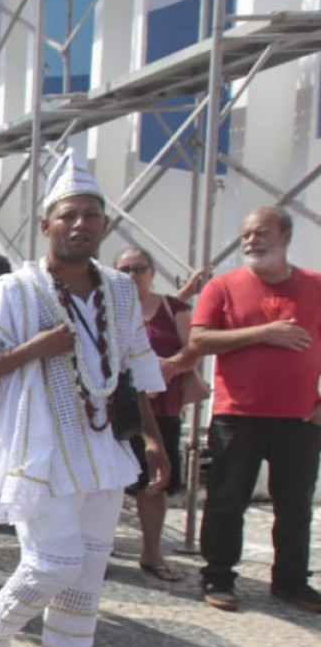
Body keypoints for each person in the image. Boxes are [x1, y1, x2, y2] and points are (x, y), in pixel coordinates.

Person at [0, 151, 169, 647]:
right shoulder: (13, 291)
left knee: (86, 579)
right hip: (40, 446)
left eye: (91, 215)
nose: (80, 225)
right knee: (54, 563)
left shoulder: (119, 290)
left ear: (104, 225)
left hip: (103, 448)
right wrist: (34, 350)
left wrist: (152, 439)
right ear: (46, 224)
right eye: (69, 215)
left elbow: (133, 368)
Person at [190, 204, 321, 613]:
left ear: (286, 236)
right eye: (247, 234)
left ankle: (291, 582)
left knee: (295, 506)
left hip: (301, 418)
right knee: (227, 500)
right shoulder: (222, 287)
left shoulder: (316, 285)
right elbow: (199, 341)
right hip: (237, 415)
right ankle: (218, 576)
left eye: (261, 232)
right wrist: (265, 333)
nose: (251, 240)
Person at [115, 247, 197, 582]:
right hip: (114, 408)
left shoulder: (172, 307)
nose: (133, 275)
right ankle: (98, 550)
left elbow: (194, 348)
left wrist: (170, 366)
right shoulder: (106, 308)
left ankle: (151, 552)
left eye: (139, 268)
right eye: (125, 269)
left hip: (161, 407)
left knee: (153, 483)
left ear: (151, 272)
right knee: (107, 482)